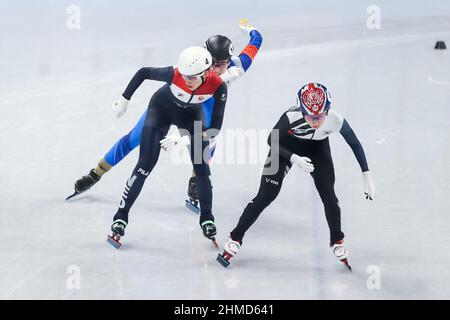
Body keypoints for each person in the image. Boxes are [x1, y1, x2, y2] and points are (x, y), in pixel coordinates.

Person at [68, 19, 263, 208]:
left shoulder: (238, 66)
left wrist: (250, 29)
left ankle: (196, 178)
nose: (215, 69)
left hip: (203, 107)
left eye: (221, 64)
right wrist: (125, 98)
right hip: (170, 104)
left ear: (229, 60)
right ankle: (96, 173)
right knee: (135, 138)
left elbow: (255, 43)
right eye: (212, 63)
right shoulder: (192, 64)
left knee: (208, 138)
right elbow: (149, 73)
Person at [217, 83, 376, 270]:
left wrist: (367, 175)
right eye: (310, 116)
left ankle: (337, 240)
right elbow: (271, 140)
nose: (316, 121)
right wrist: (294, 158)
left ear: (328, 110)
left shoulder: (336, 120)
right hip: (284, 150)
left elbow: (355, 143)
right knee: (265, 196)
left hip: (317, 150)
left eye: (320, 116)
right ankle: (235, 237)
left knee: (329, 195)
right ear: (301, 111)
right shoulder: (290, 117)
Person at [106, 46, 227, 248]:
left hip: (191, 117)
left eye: (192, 78)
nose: (187, 81)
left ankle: (207, 217)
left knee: (202, 169)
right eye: (185, 76)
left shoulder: (219, 87)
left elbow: (215, 128)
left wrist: (187, 139)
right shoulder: (175, 73)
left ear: (206, 73)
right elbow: (144, 72)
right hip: (161, 109)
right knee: (145, 164)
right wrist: (124, 99)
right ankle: (120, 216)